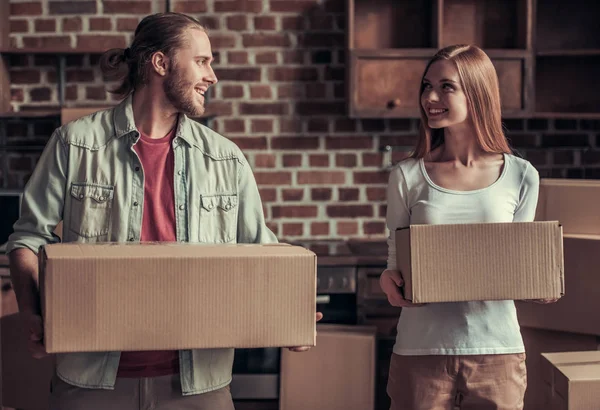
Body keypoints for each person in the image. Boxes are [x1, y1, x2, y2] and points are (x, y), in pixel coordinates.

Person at [8, 12, 320, 410]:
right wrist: (31, 312)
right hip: (91, 379)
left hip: (197, 382)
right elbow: (29, 237)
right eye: (203, 61)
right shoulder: (76, 144)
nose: (212, 76)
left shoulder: (226, 159)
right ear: (160, 63)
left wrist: (289, 311)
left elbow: (262, 252)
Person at [380, 44, 555, 410]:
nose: (430, 97)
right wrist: (389, 282)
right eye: (427, 85)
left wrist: (538, 283)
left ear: (477, 93)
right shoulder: (407, 175)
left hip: (497, 350)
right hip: (420, 350)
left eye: (447, 87)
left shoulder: (522, 176)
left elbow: (516, 263)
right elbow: (394, 263)